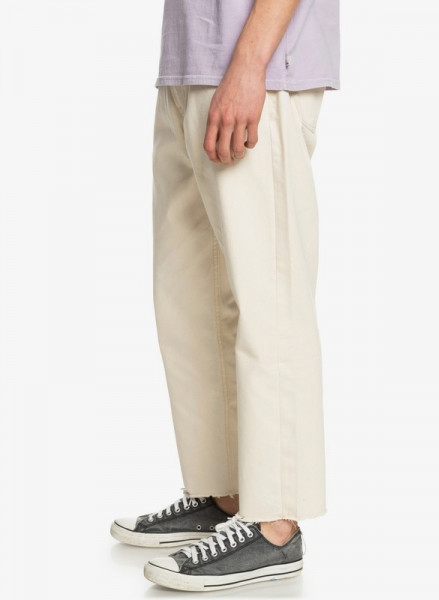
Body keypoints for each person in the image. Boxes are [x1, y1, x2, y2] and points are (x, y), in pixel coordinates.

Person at [111, 0, 340, 592]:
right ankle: (227, 496)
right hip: (190, 64)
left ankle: (275, 523)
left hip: (256, 68)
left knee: (271, 301)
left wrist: (248, 63)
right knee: (191, 300)